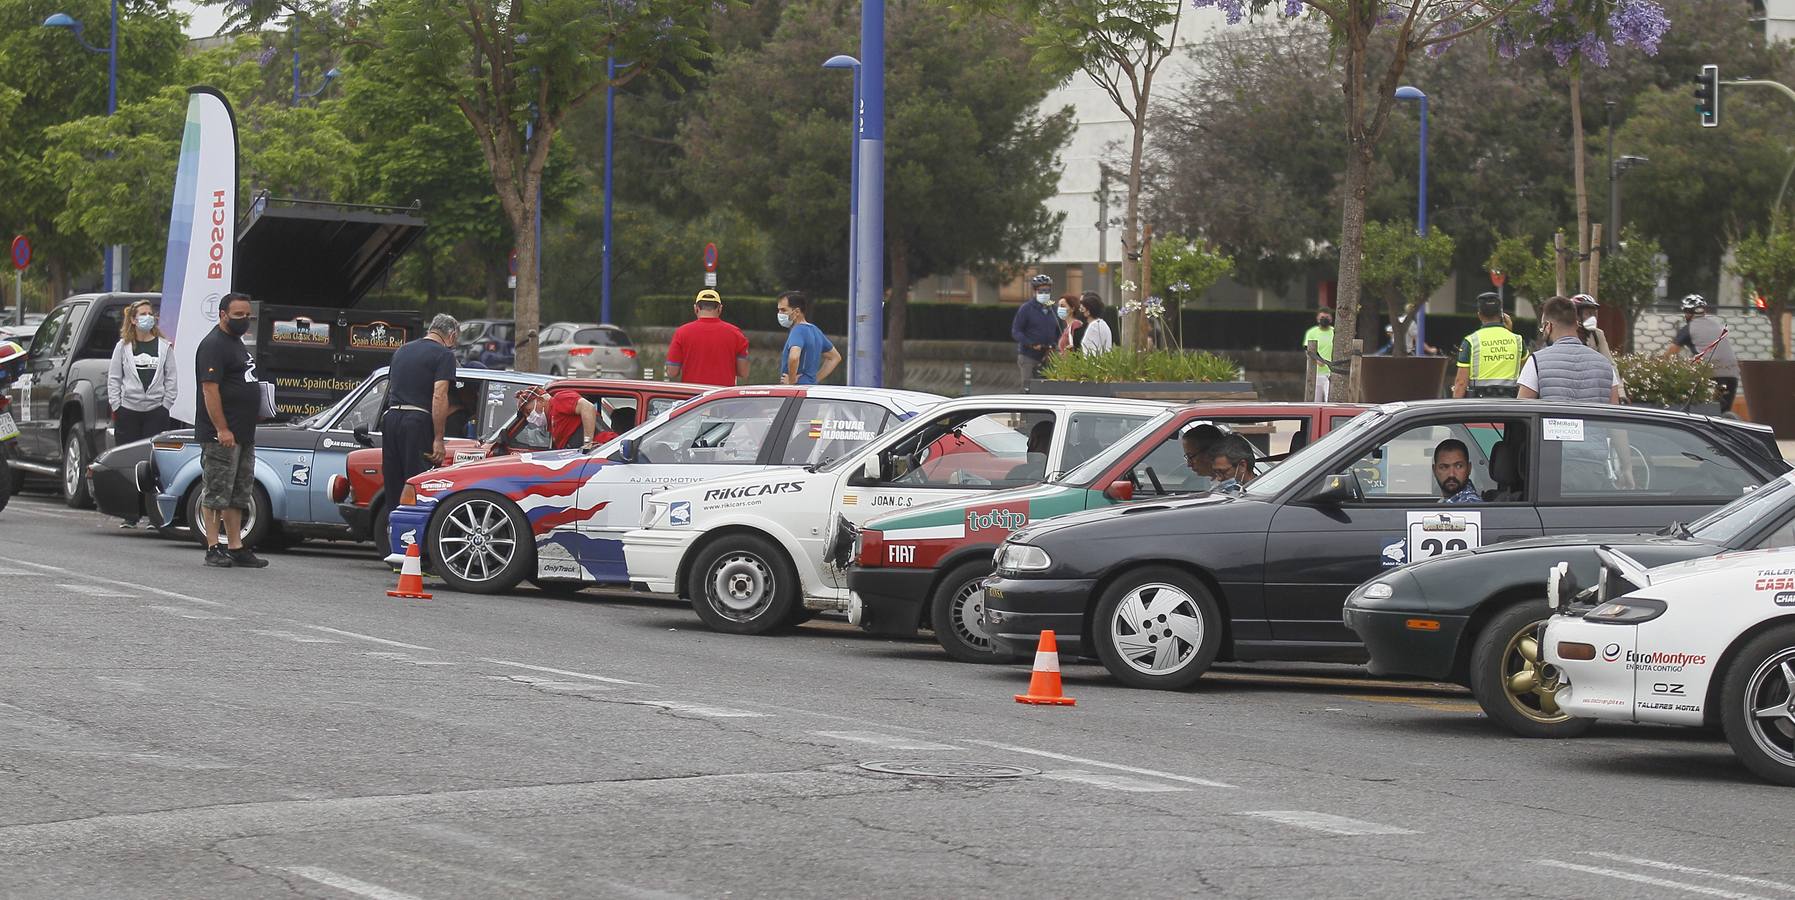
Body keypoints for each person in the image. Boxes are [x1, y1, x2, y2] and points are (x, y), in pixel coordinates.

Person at [193, 292, 268, 569]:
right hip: (222, 435)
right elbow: (209, 389)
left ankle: (235, 546)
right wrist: (221, 428)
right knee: (216, 490)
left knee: (239, 491)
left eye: (247, 315)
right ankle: (213, 546)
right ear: (223, 315)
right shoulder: (214, 345)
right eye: (238, 315)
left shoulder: (237, 344)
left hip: (243, 432)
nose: (244, 320)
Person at [106, 300, 176, 528]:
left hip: (156, 412)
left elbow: (171, 379)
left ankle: (153, 515)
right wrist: (117, 405)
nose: (148, 317)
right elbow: (114, 378)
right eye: (143, 314)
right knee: (130, 462)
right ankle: (130, 513)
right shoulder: (123, 347)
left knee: (154, 464)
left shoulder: (165, 347)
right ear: (134, 320)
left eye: (150, 314)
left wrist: (165, 405)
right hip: (128, 412)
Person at [382, 314, 459, 519]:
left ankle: (394, 533)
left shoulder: (402, 350)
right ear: (451, 335)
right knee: (417, 484)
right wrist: (438, 438)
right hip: (416, 422)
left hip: (391, 418)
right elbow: (439, 395)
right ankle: (414, 538)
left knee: (393, 484)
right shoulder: (444, 355)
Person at [1517, 296, 1621, 403]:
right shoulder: (1605, 364)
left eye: (1543, 327)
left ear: (1548, 326)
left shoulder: (1535, 362)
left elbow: (1523, 409)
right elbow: (1615, 408)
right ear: (1576, 324)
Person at [1663, 294, 1741, 413]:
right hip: (1732, 373)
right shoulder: (1716, 326)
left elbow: (1669, 355)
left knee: (1696, 408)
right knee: (1722, 413)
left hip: (1710, 374)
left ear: (1687, 313)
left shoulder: (1688, 329)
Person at [665, 289, 749, 386]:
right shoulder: (736, 333)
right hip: (723, 397)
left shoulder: (681, 332)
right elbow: (744, 372)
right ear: (720, 308)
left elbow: (672, 372)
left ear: (696, 308)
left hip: (693, 397)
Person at [1451, 293, 1526, 398]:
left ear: (1479, 315)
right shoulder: (1518, 340)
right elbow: (1526, 372)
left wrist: (1455, 410)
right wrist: (1508, 332)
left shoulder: (1470, 341)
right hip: (1510, 407)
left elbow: (1461, 383)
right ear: (1502, 315)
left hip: (1480, 407)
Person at [776, 290, 841, 385]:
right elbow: (835, 357)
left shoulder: (798, 330)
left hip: (795, 391)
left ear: (797, 311)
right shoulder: (815, 330)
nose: (779, 314)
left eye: (783, 310)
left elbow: (794, 357)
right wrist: (814, 380)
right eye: (779, 310)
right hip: (809, 389)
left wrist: (791, 381)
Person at [1011, 273, 1059, 387]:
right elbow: (1016, 331)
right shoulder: (1026, 309)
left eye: (1047, 291)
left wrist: (1054, 344)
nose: (1044, 294)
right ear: (1034, 291)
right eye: (1041, 291)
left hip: (1048, 355)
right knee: (1028, 386)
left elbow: (1059, 330)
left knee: (1048, 387)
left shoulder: (1053, 309)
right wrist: (1030, 343)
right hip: (1029, 356)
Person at [517, 387, 600, 450]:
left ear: (541, 401)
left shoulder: (559, 400)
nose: (528, 418)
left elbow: (588, 407)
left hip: (601, 450)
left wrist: (588, 443)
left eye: (529, 411)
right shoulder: (551, 421)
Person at [1433, 438, 1483, 504]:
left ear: (1469, 468)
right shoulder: (1450, 502)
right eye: (1444, 467)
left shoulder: (1469, 505)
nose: (1451, 474)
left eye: (1459, 466)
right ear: (1434, 470)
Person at [1302, 309, 1335, 401]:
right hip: (1315, 373)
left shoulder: (1335, 332)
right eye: (1322, 317)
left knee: (1330, 400)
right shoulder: (1311, 332)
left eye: (1327, 317)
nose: (1325, 319)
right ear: (1317, 319)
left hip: (1330, 373)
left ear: (1331, 319)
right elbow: (1307, 349)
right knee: (1315, 401)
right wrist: (1317, 360)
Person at [1570, 294, 1614, 358]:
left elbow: (1608, 361)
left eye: (1594, 313)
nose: (1593, 317)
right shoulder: (1565, 333)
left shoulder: (1597, 334)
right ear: (1577, 315)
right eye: (1589, 313)